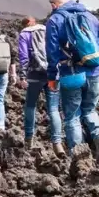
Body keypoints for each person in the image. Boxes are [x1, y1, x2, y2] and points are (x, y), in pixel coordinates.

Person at [45, 0, 99, 162]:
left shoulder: (55, 20)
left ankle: (79, 156)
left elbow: (52, 52)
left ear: (54, 5)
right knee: (89, 109)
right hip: (94, 70)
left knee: (72, 115)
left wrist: (52, 76)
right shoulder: (91, 17)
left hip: (71, 72)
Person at [19, 16, 64, 156]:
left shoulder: (24, 34)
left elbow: (24, 56)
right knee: (53, 109)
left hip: (34, 75)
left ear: (25, 25)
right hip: (52, 74)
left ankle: (29, 139)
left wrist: (22, 75)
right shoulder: (48, 30)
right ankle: (57, 144)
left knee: (30, 106)